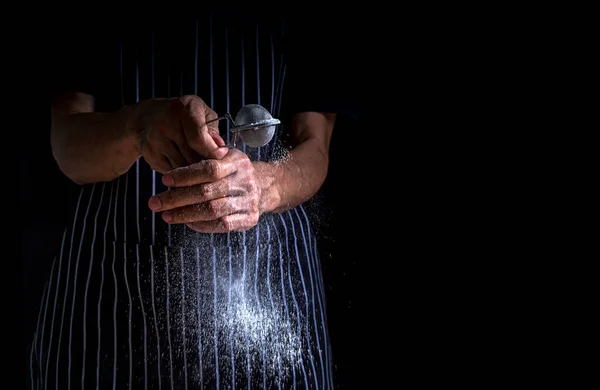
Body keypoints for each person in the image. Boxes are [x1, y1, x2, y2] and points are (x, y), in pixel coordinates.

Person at [29, 10, 355, 389]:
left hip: (273, 292)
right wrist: (138, 126)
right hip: (113, 303)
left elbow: (315, 147)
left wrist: (266, 185)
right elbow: (68, 143)